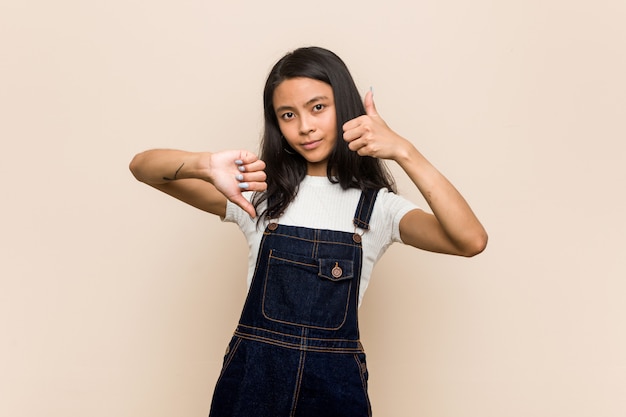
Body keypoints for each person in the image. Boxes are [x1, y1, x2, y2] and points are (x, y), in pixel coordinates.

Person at [129, 46, 487, 417]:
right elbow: (143, 168)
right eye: (288, 114)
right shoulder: (256, 195)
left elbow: (470, 239)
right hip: (253, 384)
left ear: (346, 107)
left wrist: (404, 151)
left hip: (333, 392)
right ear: (277, 125)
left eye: (318, 107)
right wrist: (204, 165)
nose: (305, 126)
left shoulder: (378, 208)